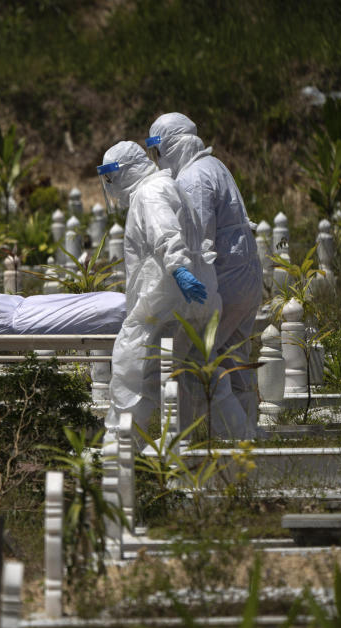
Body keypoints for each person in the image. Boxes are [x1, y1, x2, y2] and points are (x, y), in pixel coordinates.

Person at [98, 141, 248, 437]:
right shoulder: (168, 184)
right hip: (196, 297)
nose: (110, 186)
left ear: (126, 172)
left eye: (111, 178)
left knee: (134, 372)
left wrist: (178, 269)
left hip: (165, 302)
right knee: (203, 373)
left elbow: (165, 232)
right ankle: (239, 436)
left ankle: (119, 447)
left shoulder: (149, 193)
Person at [147, 113, 264, 427]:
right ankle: (248, 441)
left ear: (172, 145)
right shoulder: (214, 165)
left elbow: (196, 243)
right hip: (245, 280)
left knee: (198, 361)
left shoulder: (193, 178)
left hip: (226, 283)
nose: (159, 161)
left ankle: (231, 439)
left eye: (159, 151)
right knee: (234, 362)